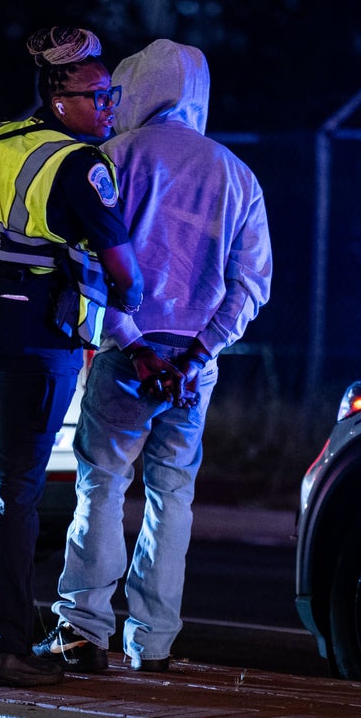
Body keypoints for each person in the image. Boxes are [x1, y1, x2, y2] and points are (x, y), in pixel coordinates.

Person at [32, 38, 273, 674]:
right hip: (195, 367)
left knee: (102, 486)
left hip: (125, 355)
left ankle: (82, 629)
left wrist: (137, 347)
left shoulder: (111, 158)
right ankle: (154, 643)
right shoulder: (235, 174)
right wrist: (199, 354)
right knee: (173, 495)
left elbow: (89, 263)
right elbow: (251, 285)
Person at [0, 26, 146, 688]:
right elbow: (121, 265)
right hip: (31, 326)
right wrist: (128, 300)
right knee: (15, 490)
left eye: (109, 93)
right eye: (95, 94)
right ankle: (11, 648)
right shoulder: (81, 162)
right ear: (58, 95)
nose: (106, 105)